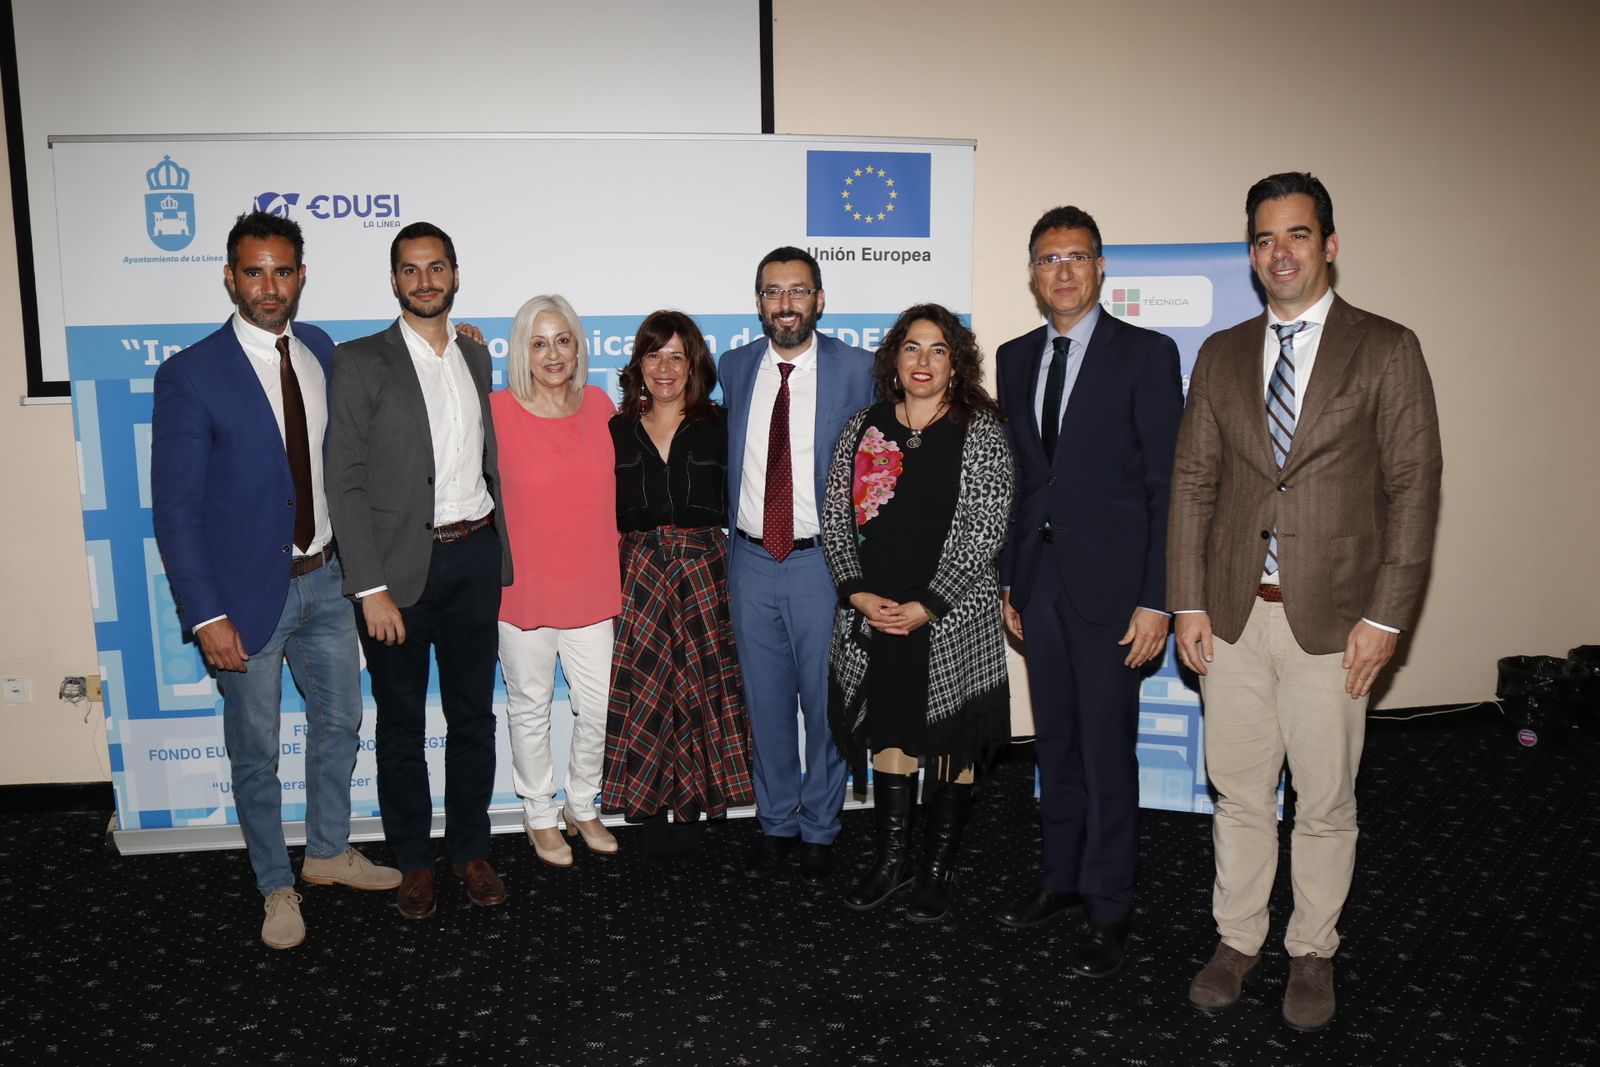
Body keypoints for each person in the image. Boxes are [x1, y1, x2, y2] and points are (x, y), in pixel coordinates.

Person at [1170, 172, 1441, 1031]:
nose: (1278, 252)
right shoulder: (1220, 353)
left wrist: (1387, 616)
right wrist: (1186, 600)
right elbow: (1192, 484)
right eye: (1262, 238)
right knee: (1240, 790)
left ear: (1328, 243)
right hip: (1234, 613)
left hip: (1339, 621)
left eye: (1295, 235)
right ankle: (1238, 937)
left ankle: (1313, 948)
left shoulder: (1387, 347)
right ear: (1249, 252)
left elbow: (1413, 486)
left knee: (1324, 800)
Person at [151, 210, 400, 950]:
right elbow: (176, 510)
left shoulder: (321, 349)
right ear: (230, 276)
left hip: (327, 580)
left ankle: (326, 850)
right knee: (255, 750)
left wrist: (462, 346)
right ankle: (275, 884)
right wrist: (204, 615)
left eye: (282, 271)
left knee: (340, 724)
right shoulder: (190, 373)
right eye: (254, 271)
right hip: (243, 599)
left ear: (300, 276)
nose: (269, 285)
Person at [994, 206, 1184, 977]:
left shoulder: (1146, 353)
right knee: (1056, 747)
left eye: (1077, 256)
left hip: (1115, 593)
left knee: (1107, 755)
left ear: (1101, 268)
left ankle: (1110, 906)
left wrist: (1158, 598)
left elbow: (1167, 485)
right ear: (1034, 274)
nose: (1063, 271)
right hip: (1039, 587)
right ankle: (1061, 880)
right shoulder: (1011, 358)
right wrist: (1012, 576)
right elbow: (1021, 480)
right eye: (1049, 258)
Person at [328, 221, 513, 919]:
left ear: (455, 274)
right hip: (397, 574)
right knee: (401, 723)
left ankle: (470, 849)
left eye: (437, 268)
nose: (425, 281)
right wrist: (369, 587)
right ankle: (412, 858)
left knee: (474, 716)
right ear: (394, 279)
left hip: (473, 556)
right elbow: (343, 481)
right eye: (411, 270)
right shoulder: (360, 360)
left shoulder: (474, 355)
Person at [822, 304, 1014, 923]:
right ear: (894, 360)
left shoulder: (981, 428)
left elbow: (986, 525)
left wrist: (928, 604)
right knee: (890, 735)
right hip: (876, 616)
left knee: (951, 743)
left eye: (937, 349)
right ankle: (893, 860)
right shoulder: (862, 427)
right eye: (912, 348)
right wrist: (854, 591)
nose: (923, 361)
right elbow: (834, 516)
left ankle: (936, 871)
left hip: (949, 617)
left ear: (955, 361)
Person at [721, 246, 876, 884]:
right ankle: (777, 822)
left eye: (798, 291)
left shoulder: (861, 370)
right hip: (751, 559)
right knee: (765, 706)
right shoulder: (732, 368)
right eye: (772, 292)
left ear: (819, 299)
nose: (785, 304)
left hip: (824, 564)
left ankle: (821, 826)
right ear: (758, 302)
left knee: (825, 704)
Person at [602, 310, 753, 862]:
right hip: (639, 570)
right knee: (647, 691)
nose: (664, 368)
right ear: (637, 364)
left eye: (676, 356)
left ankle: (691, 810)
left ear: (694, 365)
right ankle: (647, 809)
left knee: (699, 692)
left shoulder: (723, 424)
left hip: (703, 567)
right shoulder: (615, 429)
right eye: (652, 354)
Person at [491, 294, 620, 866]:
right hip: (523, 587)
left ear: (578, 346)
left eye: (562, 339)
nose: (552, 353)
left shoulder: (599, 404)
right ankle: (540, 812)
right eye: (538, 342)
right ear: (522, 349)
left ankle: (582, 802)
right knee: (530, 706)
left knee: (597, 708)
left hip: (593, 583)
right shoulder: (495, 409)